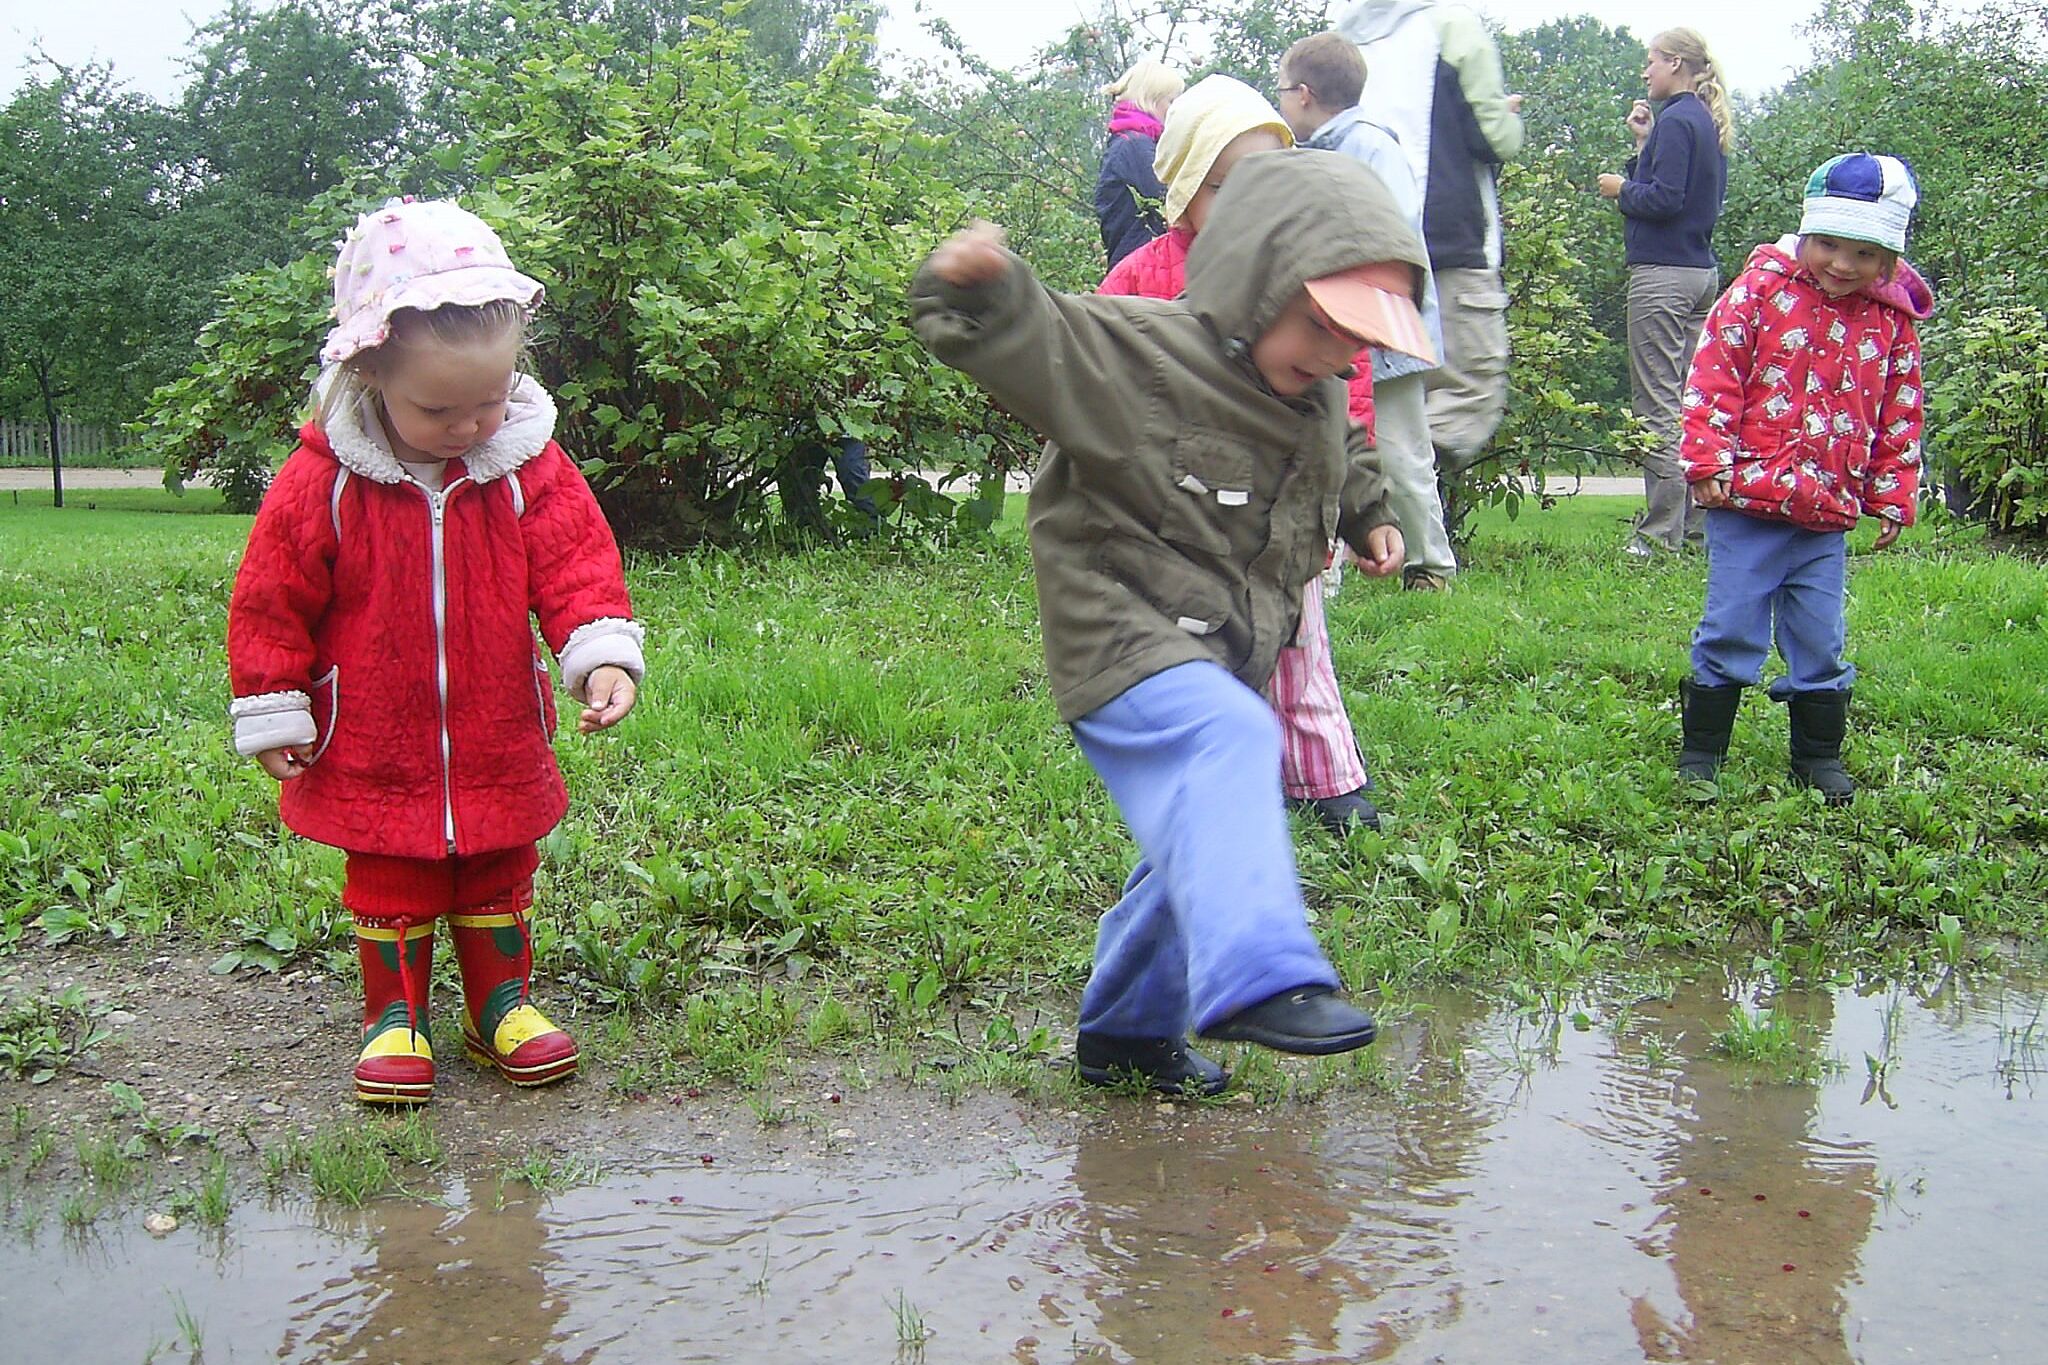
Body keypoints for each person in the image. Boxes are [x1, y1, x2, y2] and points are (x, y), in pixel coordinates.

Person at [912, 150, 1434, 1095]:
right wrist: (984, 288)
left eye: (1354, 340)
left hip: (1224, 648)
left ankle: (1127, 1036)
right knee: (1235, 739)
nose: (1332, 356)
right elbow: (1045, 337)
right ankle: (1261, 977)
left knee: (1200, 841)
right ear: (1253, 281)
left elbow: (1346, 446)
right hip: (1119, 634)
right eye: (1318, 323)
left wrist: (1372, 513)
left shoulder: (1313, 391)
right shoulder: (1146, 356)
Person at [227, 198, 645, 1104]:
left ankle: (500, 1004)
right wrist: (272, 704)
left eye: (491, 400)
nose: (471, 425)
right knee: (388, 867)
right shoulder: (324, 480)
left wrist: (600, 651)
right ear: (372, 370)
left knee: (499, 857)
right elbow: (272, 598)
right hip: (375, 725)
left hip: (495, 717)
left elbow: (577, 562)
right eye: (440, 407)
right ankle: (396, 1016)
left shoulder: (525, 462)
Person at [1100, 75, 1383, 835]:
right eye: (1225, 186)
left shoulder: (1306, 274)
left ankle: (1328, 781)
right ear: (1187, 188)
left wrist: (1361, 502)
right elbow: (1100, 373)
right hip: (1185, 517)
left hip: (1285, 516)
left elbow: (1343, 389)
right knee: (1197, 657)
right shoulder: (1144, 278)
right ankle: (1214, 780)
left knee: (1299, 650)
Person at [1674, 154, 1930, 803]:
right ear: (1806, 233)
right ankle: (1703, 748)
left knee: (1820, 635)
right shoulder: (1761, 291)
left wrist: (1892, 493)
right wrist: (1707, 460)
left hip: (1826, 510)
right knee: (1731, 623)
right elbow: (1714, 372)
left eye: (1864, 253)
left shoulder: (1892, 324)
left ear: (1889, 259)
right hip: (1746, 500)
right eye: (1829, 244)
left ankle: (1816, 755)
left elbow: (1900, 411)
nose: (1842, 264)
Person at [1278, 32, 1453, 595]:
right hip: (1332, 326)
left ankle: (1430, 567)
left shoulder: (1369, 147)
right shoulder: (1317, 151)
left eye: (1282, 91)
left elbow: (1392, 239)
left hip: (1385, 331)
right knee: (1332, 442)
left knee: (1401, 449)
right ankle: (1329, 565)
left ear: (1304, 94)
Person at [1335, 0, 1523, 510]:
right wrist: (1508, 117)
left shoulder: (1347, 29)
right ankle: (1391, 485)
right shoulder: (1453, 24)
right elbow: (1494, 137)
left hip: (1373, 237)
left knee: (1389, 390)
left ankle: (1379, 485)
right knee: (1471, 394)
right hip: (1452, 234)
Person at [1597, 27, 1733, 557]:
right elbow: (1687, 191)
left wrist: (1620, 188)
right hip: (1700, 274)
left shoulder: (1679, 119)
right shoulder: (1698, 119)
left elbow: (1665, 199)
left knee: (1656, 404)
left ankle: (1657, 536)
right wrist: (1643, 144)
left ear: (1675, 63)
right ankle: (1698, 530)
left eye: (1651, 61)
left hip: (1663, 276)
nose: (1644, 70)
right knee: (1691, 402)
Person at [1095, 57, 1185, 270]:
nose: (1175, 111)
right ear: (1150, 99)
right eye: (1171, 101)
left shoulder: (1129, 142)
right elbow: (1172, 204)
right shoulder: (1135, 146)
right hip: (1140, 271)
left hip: (1133, 265)